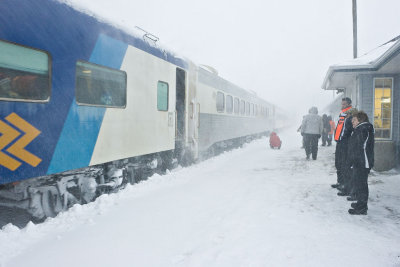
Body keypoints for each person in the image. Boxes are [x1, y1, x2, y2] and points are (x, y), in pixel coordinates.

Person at [347, 111, 374, 215]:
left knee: (361, 185)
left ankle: (362, 208)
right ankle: (360, 203)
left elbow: (358, 148)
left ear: (360, 120)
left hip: (363, 162)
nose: (352, 122)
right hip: (360, 161)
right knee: (358, 183)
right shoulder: (361, 128)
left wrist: (351, 161)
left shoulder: (363, 129)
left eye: (354, 120)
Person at [331, 97, 353, 192]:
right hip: (339, 142)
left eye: (344, 104)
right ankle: (340, 182)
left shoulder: (351, 114)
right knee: (338, 163)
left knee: (344, 164)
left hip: (346, 142)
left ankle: (345, 184)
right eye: (342, 104)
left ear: (349, 104)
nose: (342, 105)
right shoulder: (342, 114)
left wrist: (345, 138)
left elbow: (350, 129)